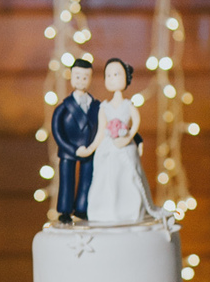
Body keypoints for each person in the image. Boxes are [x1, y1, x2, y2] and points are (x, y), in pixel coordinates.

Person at [77, 57, 159, 226]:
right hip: (107, 148)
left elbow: (136, 122)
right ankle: (104, 211)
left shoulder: (128, 105)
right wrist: (91, 148)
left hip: (125, 145)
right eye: (108, 75)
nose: (112, 78)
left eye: (117, 74)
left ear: (126, 78)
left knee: (128, 177)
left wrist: (128, 137)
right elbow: (101, 131)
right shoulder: (104, 107)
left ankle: (130, 211)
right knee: (105, 178)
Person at [50, 59, 99, 223]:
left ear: (90, 79)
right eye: (77, 76)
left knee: (87, 180)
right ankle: (65, 210)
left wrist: (92, 147)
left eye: (85, 77)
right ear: (71, 77)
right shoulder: (63, 108)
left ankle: (82, 208)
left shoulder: (96, 106)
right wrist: (72, 149)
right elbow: (57, 131)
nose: (81, 81)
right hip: (68, 150)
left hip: (90, 149)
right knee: (66, 180)